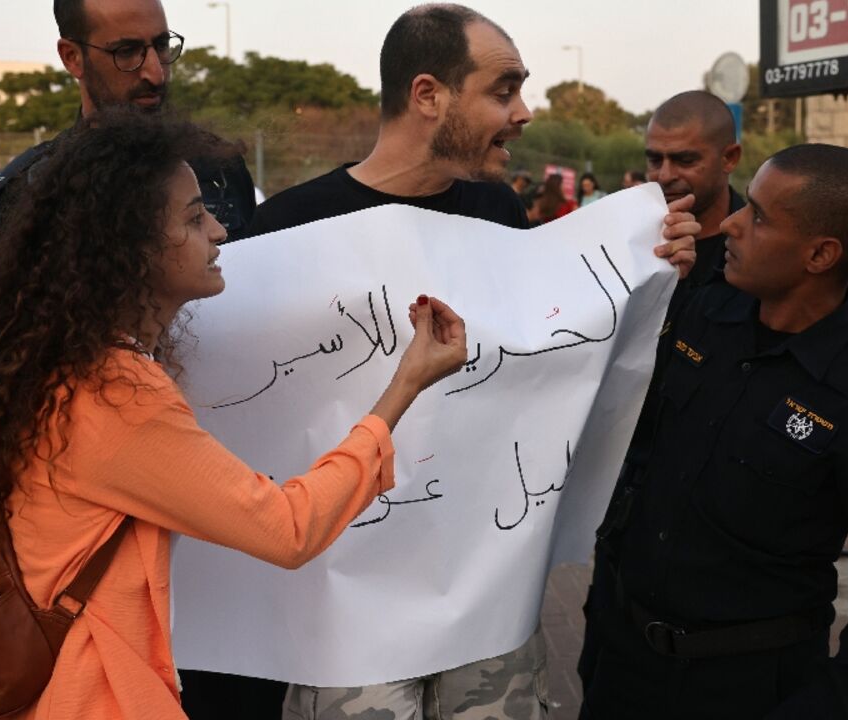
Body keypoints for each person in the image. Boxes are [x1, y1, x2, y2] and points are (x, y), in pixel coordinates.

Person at [0, 110, 466, 720]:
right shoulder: (113, 390)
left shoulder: (63, 360)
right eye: (193, 217)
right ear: (128, 249)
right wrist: (405, 385)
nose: (219, 230)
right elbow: (290, 530)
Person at [205, 6, 698, 719]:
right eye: (504, 91)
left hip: (482, 598)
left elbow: (550, 353)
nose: (524, 113)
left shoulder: (497, 210)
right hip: (348, 615)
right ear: (428, 94)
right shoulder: (292, 226)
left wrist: (644, 274)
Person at [580, 143, 848, 718]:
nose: (729, 224)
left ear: (820, 254)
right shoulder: (704, 312)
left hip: (745, 686)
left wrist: (828, 704)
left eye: (756, 215)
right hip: (624, 663)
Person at [0, 0, 259, 268]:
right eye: (126, 51)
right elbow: (2, 313)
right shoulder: (26, 191)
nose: (156, 74)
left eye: (161, 45)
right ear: (72, 57)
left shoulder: (221, 167)